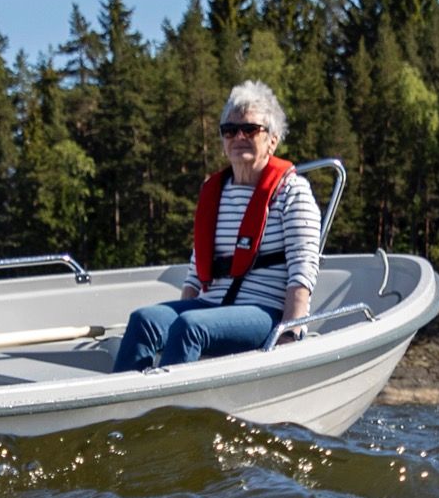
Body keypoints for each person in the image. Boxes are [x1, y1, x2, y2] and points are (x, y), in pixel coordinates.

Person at [112, 80, 320, 372]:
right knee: (143, 319)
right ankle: (125, 414)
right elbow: (198, 272)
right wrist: (174, 320)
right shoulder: (215, 192)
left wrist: (289, 333)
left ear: (273, 139)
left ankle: (169, 413)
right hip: (213, 307)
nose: (239, 137)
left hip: (265, 312)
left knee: (190, 326)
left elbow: (303, 270)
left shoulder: (292, 192)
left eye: (250, 129)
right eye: (230, 130)